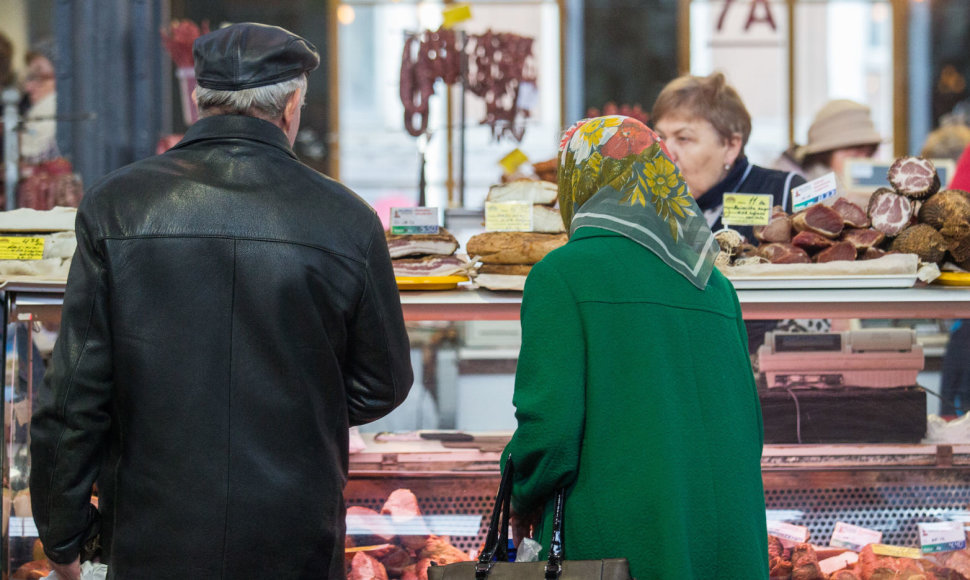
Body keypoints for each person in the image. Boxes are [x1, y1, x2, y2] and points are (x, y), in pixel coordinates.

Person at [30, 22, 413, 580]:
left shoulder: (116, 206)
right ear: (290, 107)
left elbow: (72, 397)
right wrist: (294, 407)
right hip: (295, 533)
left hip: (151, 532)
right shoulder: (348, 218)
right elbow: (384, 382)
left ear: (199, 100)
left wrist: (64, 535)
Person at [503, 115, 768, 579]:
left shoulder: (560, 275)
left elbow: (549, 431)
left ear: (579, 181)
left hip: (618, 546)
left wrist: (520, 493)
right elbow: (747, 426)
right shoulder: (715, 283)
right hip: (726, 542)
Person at [651, 71, 805, 243]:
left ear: (731, 146)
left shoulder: (784, 191)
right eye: (660, 137)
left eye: (684, 138)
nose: (666, 153)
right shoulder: (646, 202)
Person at [792, 99, 883, 182]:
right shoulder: (799, 190)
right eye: (854, 156)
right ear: (825, 155)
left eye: (868, 155)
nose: (863, 163)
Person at [19, 41, 59, 163]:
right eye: (30, 78)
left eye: (39, 77)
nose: (28, 88)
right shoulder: (28, 116)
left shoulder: (63, 121)